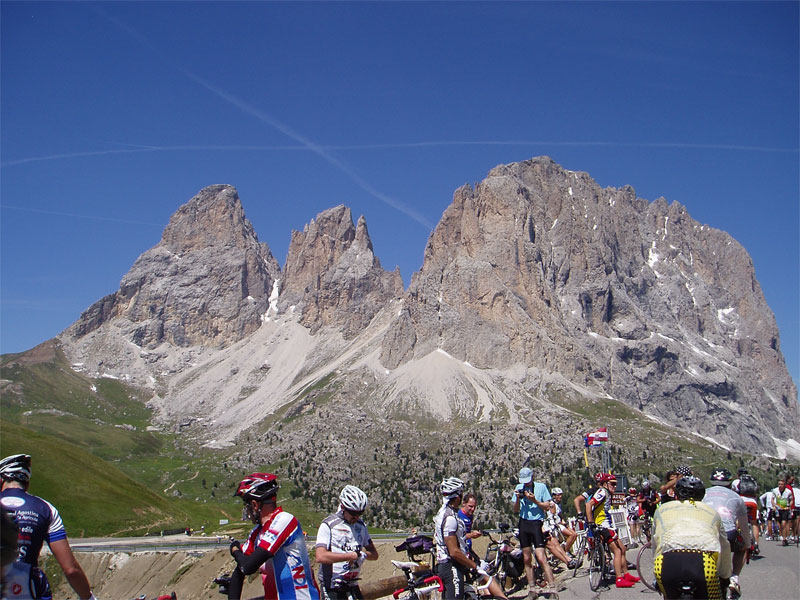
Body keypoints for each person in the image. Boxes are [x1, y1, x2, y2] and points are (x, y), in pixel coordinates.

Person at [0, 454, 97, 600]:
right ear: (27, 483)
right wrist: (89, 597)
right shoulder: (45, 509)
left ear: (1, 479)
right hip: (28, 589)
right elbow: (70, 570)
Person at [227, 473, 319, 600]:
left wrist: (235, 550)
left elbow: (247, 567)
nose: (246, 512)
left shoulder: (284, 520)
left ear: (254, 505)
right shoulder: (257, 532)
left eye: (246, 506)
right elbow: (240, 569)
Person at [652, 476, 731, 600]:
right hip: (705, 564)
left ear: (676, 494)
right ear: (702, 496)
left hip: (665, 563)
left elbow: (655, 544)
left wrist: (655, 578)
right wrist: (725, 576)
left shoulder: (661, 510)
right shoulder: (712, 512)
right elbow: (725, 546)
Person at [315, 485, 378, 600]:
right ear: (343, 507)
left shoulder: (361, 526)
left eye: (360, 513)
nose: (356, 517)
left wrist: (363, 555)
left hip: (352, 584)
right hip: (332, 586)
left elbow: (374, 554)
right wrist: (349, 556)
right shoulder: (329, 525)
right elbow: (320, 556)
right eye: (353, 513)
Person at [434, 477, 488, 599]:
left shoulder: (444, 512)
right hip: (450, 566)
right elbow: (454, 552)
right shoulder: (450, 518)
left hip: (447, 564)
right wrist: (475, 566)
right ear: (458, 496)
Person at [703, 467, 751, 600]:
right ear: (730, 483)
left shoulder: (703, 493)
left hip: (705, 532)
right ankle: (734, 578)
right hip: (728, 533)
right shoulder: (737, 497)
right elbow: (744, 525)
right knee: (741, 548)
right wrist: (748, 544)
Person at [511, 468, 559, 598]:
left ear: (532, 477)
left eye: (527, 481)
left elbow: (547, 506)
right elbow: (515, 510)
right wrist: (517, 499)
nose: (526, 484)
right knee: (527, 558)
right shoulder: (519, 487)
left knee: (541, 557)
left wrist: (535, 501)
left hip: (536, 523)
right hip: (523, 523)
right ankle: (532, 589)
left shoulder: (541, 487)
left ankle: (553, 588)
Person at [586, 473, 639, 588]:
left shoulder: (608, 494)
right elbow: (589, 504)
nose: (615, 487)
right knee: (617, 551)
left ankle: (626, 574)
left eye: (616, 484)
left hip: (608, 525)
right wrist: (591, 523)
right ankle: (619, 578)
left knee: (623, 548)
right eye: (612, 484)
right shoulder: (602, 492)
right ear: (605, 484)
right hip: (603, 526)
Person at [454, 493, 508, 599]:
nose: (473, 509)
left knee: (483, 572)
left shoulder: (470, 516)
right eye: (470, 506)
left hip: (469, 549)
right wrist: (471, 535)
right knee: (482, 573)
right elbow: (457, 536)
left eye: (474, 507)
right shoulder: (458, 516)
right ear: (463, 504)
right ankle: (501, 597)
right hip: (462, 552)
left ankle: (489, 595)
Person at [737, 475, 760, 555]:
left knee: (738, 520)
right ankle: (756, 544)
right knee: (754, 523)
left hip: (742, 501)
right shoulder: (753, 482)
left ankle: (738, 540)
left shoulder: (738, 482)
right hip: (753, 503)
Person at [771, 477, 794, 546]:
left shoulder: (788, 492)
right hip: (778, 509)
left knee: (784, 523)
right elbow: (772, 499)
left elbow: (791, 500)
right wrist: (774, 505)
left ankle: (784, 539)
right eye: (779, 484)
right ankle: (784, 536)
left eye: (781, 484)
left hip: (785, 509)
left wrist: (789, 506)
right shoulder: (775, 491)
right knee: (780, 525)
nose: (780, 485)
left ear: (784, 485)